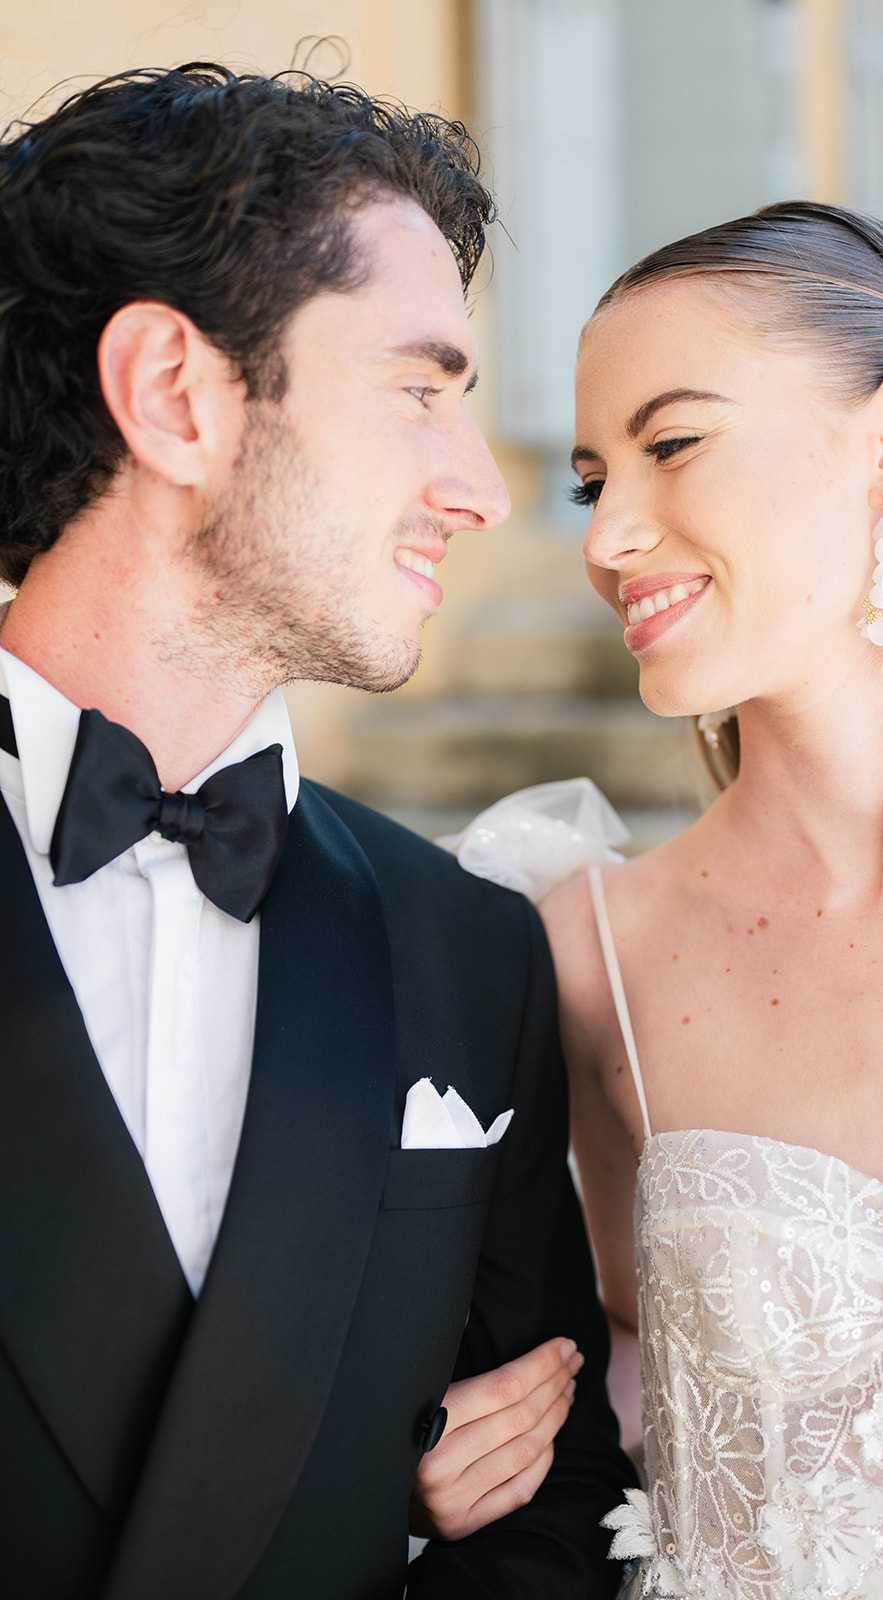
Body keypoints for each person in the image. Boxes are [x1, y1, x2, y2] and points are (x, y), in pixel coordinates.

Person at [0, 63, 634, 1599]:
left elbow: (564, 1513)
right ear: (175, 395)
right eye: (419, 389)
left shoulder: (466, 950)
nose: (479, 489)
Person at [448, 202, 883, 1596]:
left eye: (671, 446)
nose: (610, 539)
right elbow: (608, 1384)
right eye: (592, 480)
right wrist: (451, 1454)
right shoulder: (587, 951)